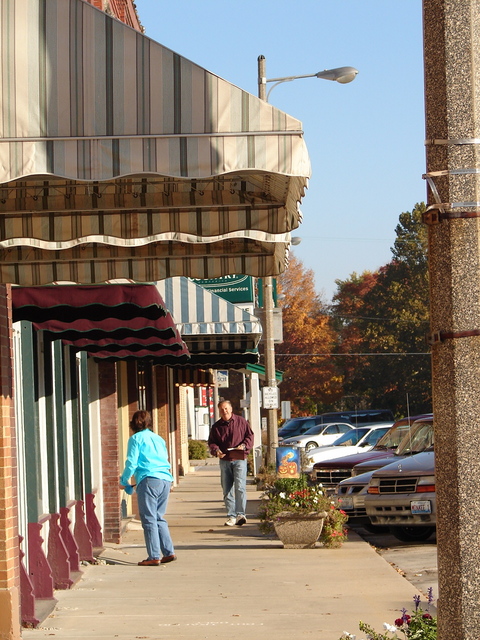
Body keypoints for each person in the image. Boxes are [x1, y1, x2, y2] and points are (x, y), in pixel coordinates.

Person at [119, 410, 176, 566]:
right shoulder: (158, 439)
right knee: (159, 517)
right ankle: (168, 551)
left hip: (149, 479)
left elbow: (132, 463)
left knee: (149, 519)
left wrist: (124, 480)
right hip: (165, 478)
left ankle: (154, 556)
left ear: (132, 423)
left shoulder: (135, 439)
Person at [208, 400, 254, 526]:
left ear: (231, 408)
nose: (224, 411)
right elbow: (212, 442)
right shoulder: (216, 427)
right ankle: (231, 515)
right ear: (219, 411)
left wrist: (244, 445)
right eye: (222, 409)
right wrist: (216, 450)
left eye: (226, 408)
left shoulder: (241, 422)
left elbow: (250, 436)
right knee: (227, 489)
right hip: (225, 460)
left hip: (239, 459)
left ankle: (241, 514)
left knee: (240, 487)